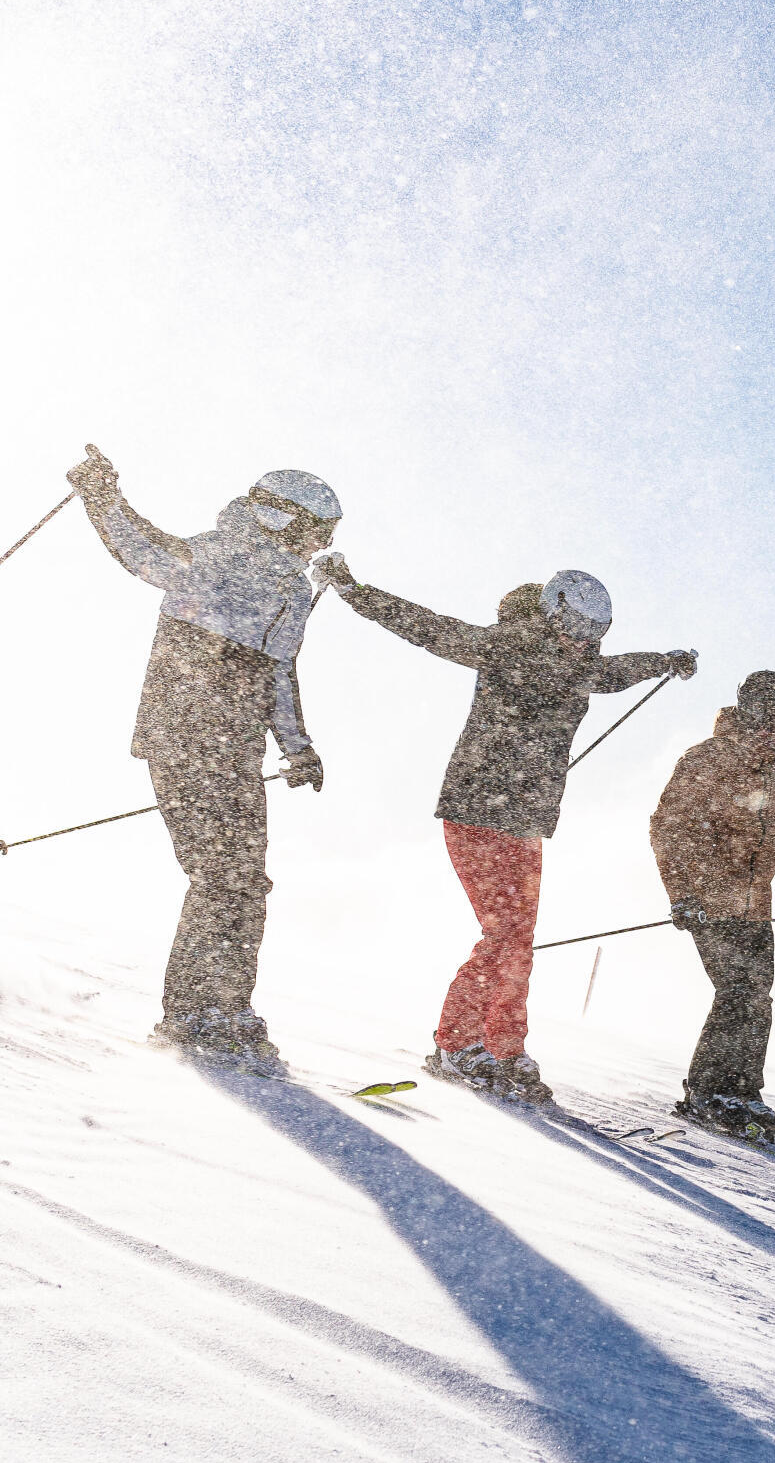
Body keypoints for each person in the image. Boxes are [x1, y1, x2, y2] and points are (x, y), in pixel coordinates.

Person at [314, 555, 694, 1103]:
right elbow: (428, 628)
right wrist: (354, 590)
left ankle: (503, 1046)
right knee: (505, 933)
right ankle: (456, 1044)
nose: (581, 641)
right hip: (477, 809)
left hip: (524, 819)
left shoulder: (583, 664)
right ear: (551, 614)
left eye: (594, 633)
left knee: (518, 938)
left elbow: (617, 671)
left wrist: (666, 661)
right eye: (573, 628)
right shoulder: (508, 645)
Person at [64, 444, 342, 1068]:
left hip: (234, 748)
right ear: (280, 520)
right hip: (185, 733)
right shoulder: (220, 555)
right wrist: (103, 494)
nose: (314, 549)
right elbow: (144, 550)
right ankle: (193, 1013)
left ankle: (226, 1007)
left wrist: (299, 747)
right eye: (312, 535)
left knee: (246, 881)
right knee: (223, 875)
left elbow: (278, 673)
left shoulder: (291, 591)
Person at [650, 670, 775, 1139]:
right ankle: (707, 1092)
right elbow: (668, 828)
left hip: (754, 906)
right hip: (708, 898)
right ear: (758, 713)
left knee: (756, 998)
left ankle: (742, 1092)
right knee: (738, 991)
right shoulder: (707, 758)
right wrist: (681, 894)